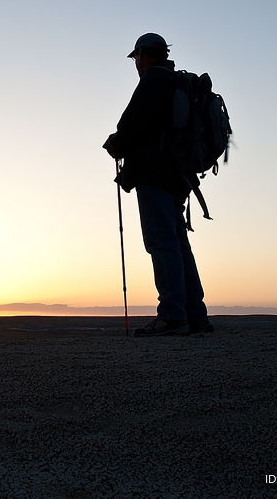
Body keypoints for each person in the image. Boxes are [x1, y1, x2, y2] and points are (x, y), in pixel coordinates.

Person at [104, 33, 213, 336]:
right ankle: (196, 316)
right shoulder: (176, 82)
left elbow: (132, 123)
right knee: (178, 243)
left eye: (135, 57)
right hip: (179, 176)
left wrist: (115, 144)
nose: (135, 63)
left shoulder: (154, 80)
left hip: (155, 173)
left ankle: (171, 316)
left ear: (142, 54)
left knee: (161, 242)